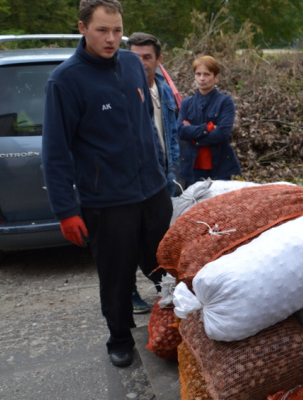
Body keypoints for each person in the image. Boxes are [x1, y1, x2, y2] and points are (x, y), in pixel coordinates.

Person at [42, 0, 172, 368]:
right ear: (82, 28)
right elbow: (55, 151)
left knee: (164, 265)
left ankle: (176, 323)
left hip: (152, 190)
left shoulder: (133, 65)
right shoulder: (65, 81)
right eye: (102, 30)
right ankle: (119, 336)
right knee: (116, 276)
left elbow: (146, 119)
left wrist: (160, 169)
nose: (112, 39)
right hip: (108, 199)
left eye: (117, 30)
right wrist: (66, 210)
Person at [126, 32, 180, 314]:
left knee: (159, 236)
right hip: (135, 178)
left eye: (147, 57)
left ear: (159, 60)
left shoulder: (165, 91)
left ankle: (163, 287)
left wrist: (173, 168)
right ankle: (130, 291)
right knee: (130, 236)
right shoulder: (123, 93)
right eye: (135, 57)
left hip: (163, 176)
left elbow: (171, 134)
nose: (142, 63)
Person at [177, 55, 240, 185]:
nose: (202, 78)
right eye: (198, 74)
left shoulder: (225, 102)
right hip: (193, 167)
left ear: (216, 77)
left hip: (219, 167)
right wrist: (208, 127)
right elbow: (180, 132)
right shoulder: (187, 103)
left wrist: (193, 137)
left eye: (206, 74)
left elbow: (222, 133)